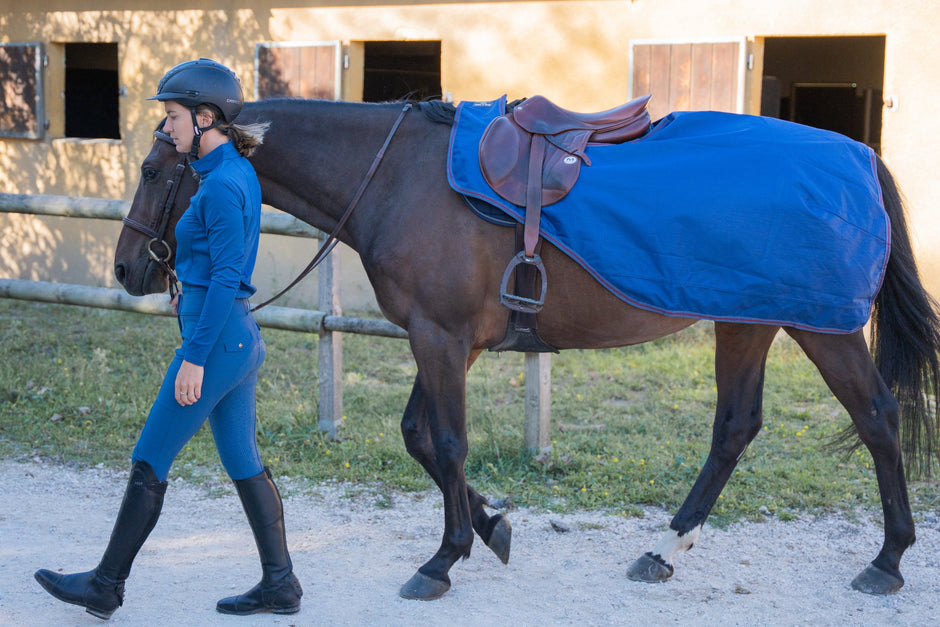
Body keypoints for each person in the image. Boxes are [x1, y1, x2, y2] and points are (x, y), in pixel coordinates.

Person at [33, 58, 303, 619]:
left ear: (206, 118)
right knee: (242, 460)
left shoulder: (224, 183)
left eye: (175, 116)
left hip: (218, 343)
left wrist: (194, 359)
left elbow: (230, 275)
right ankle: (281, 585)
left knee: (150, 458)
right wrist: (191, 288)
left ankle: (105, 584)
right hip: (234, 336)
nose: (168, 127)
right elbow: (215, 265)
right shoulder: (228, 174)